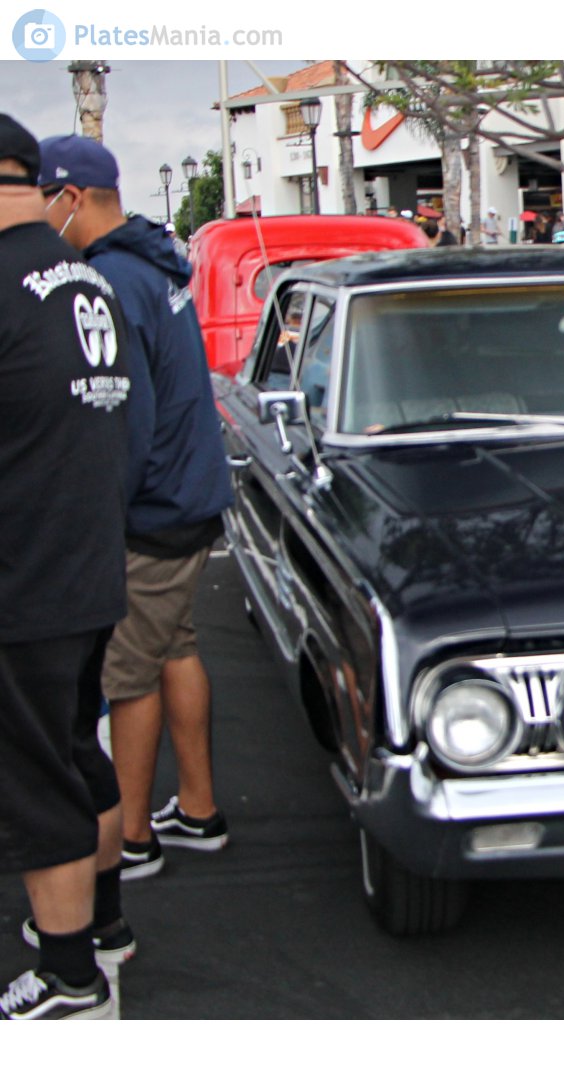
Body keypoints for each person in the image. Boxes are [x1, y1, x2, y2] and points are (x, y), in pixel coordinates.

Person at [39, 135, 233, 884]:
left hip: (153, 508)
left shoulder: (110, 282)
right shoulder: (157, 262)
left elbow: (127, 416)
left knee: (127, 676)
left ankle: (130, 839)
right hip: (190, 492)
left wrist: (95, 516)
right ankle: (198, 807)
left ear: (71, 198)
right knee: (174, 646)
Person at [0, 114, 140, 1020]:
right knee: (78, 759)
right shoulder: (85, 277)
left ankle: (68, 980)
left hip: (21, 575)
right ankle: (106, 929)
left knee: (32, 779)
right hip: (87, 564)